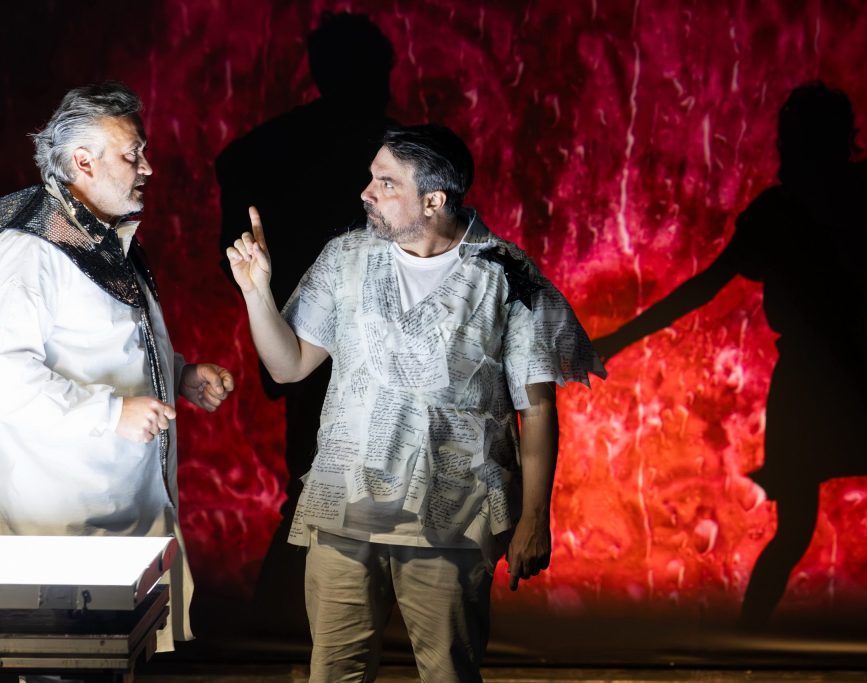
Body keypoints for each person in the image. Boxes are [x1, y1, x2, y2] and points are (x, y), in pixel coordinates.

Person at [594, 82, 867, 631]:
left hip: (833, 376)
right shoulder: (802, 206)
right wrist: (616, 341)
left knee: (832, 524)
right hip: (830, 377)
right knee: (861, 516)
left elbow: (704, 289)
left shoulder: (808, 204)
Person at [227, 124, 604, 681]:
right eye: (371, 178)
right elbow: (289, 367)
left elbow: (538, 409)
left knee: (448, 671)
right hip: (345, 509)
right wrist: (256, 293)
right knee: (334, 672)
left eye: (386, 183)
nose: (366, 193)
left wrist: (534, 517)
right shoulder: (346, 257)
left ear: (433, 201)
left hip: (454, 514)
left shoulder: (507, 274)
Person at [0, 81, 235, 651]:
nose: (147, 167)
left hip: (122, 512)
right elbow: (6, 374)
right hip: (64, 525)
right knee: (67, 668)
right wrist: (111, 413)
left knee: (113, 663)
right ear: (83, 161)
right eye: (133, 154)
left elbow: (107, 340)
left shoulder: (103, 233)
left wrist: (179, 373)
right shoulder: (31, 249)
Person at [215, 11, 396, 633]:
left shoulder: (269, 148)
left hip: (338, 341)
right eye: (377, 71)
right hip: (318, 343)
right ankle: (287, 626)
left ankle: (298, 627)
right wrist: (277, 301)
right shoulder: (384, 146)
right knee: (321, 483)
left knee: (328, 482)